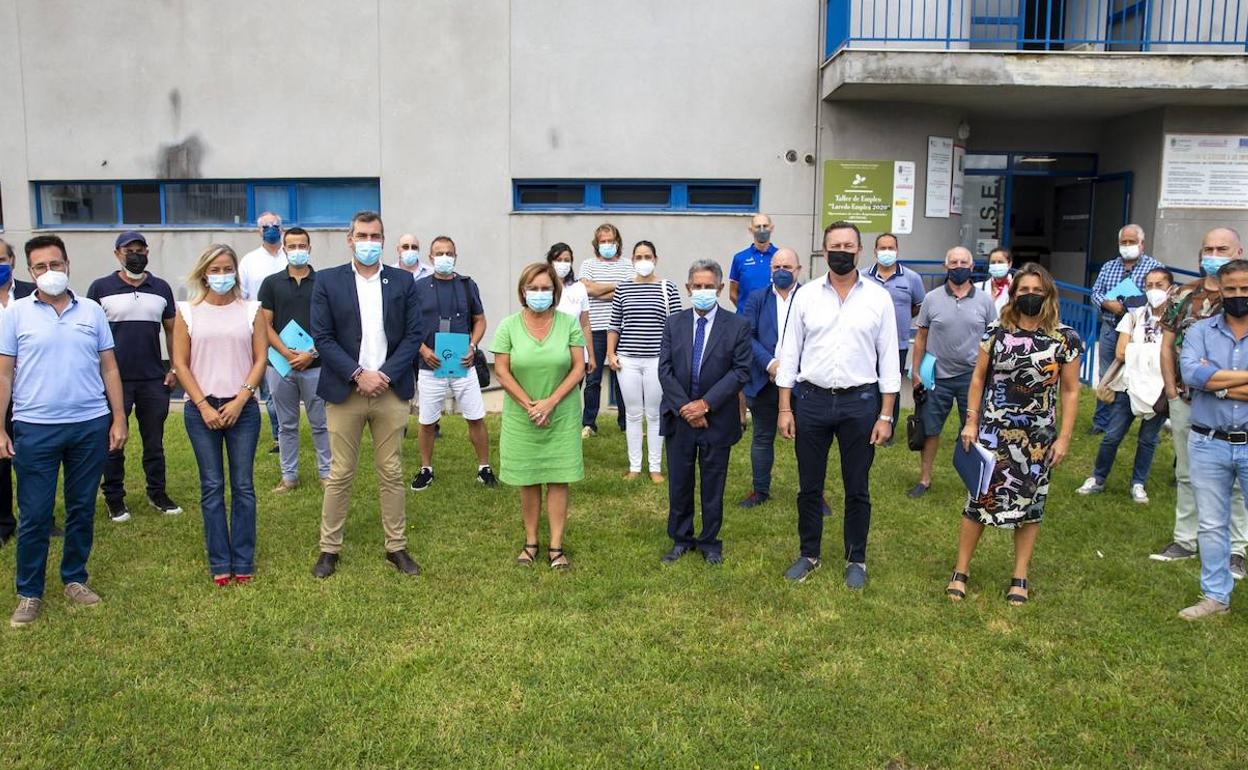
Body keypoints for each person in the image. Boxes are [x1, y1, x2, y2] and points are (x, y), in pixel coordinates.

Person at [0, 235, 127, 627]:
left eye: (56, 264)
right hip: (35, 427)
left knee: (80, 507)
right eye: (40, 267)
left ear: (68, 264)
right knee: (36, 513)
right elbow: (4, 373)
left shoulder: (91, 311)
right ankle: (29, 591)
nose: (49, 272)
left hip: (88, 425)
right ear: (29, 271)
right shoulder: (15, 314)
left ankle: (74, 577)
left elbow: (109, 367)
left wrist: (118, 418)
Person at [945, 263, 1081, 605]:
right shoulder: (996, 333)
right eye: (1024, 290)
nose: (1030, 296)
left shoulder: (1065, 338)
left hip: (1038, 439)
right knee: (979, 501)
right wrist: (971, 421)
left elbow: (1070, 391)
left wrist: (1064, 437)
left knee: (1030, 507)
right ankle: (960, 571)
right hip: (993, 433)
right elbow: (978, 378)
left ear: (1048, 294)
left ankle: (1019, 576)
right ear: (1013, 293)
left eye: (1037, 291)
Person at [777, 221, 899, 586]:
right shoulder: (807, 295)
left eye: (849, 245)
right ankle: (809, 554)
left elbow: (889, 358)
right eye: (835, 245)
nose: (842, 251)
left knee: (857, 485)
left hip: (860, 403)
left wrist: (886, 414)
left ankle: (855, 560)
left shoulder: (878, 297)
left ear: (860, 251)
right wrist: (785, 408)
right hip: (811, 401)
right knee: (809, 485)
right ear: (824, 250)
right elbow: (789, 354)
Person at [309, 211, 423, 579]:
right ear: (350, 239)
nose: (369, 242)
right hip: (346, 390)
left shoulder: (403, 282)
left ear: (383, 240)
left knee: (390, 471)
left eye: (376, 236)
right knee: (340, 472)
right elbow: (322, 337)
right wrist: (358, 374)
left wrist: (384, 375)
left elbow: (412, 335)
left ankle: (397, 547)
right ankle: (329, 549)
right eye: (363, 235)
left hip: (391, 390)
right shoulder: (327, 281)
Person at [1153, 227, 1248, 579]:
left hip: (1237, 409)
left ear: (1237, 250)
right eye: (1207, 247)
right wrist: (1172, 389)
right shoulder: (1181, 295)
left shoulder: (1242, 293)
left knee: (1238, 482)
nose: (1213, 253)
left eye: (1221, 248)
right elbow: (1167, 345)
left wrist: (1218, 383)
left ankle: (1236, 550)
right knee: (1188, 474)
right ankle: (1185, 539)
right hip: (1187, 400)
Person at [172, 244, 267, 586]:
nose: (222, 276)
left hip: (242, 408)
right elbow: (180, 364)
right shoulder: (187, 312)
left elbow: (260, 358)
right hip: (202, 411)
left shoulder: (251, 310)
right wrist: (202, 406)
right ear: (203, 274)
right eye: (216, 270)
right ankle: (219, 563)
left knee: (243, 486)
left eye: (228, 269)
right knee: (211, 486)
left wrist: (242, 398)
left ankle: (243, 559)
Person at [491, 262, 586, 569]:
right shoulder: (508, 326)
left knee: (559, 479)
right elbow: (502, 372)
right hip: (522, 416)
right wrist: (530, 405)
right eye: (534, 288)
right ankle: (531, 541)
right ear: (523, 290)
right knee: (528, 479)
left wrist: (551, 403)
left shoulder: (568, 324)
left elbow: (578, 368)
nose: (540, 293)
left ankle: (556, 547)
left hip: (562, 414)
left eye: (546, 288)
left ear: (555, 291)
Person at [658, 259, 752, 565]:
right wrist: (686, 408)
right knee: (680, 481)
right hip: (680, 417)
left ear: (721, 289)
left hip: (717, 418)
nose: (702, 291)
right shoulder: (674, 324)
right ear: (687, 288)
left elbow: (740, 371)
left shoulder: (737, 326)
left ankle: (710, 540)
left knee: (713, 483)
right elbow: (665, 370)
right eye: (697, 286)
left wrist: (705, 404)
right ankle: (681, 538)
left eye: (708, 286)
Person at [87, 231, 182, 522]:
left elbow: (172, 331)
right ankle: (114, 498)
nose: (136, 254)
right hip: (114, 380)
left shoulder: (161, 288)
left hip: (153, 379)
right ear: (117, 253)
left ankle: (158, 493)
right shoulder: (101, 287)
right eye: (129, 249)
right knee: (114, 442)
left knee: (154, 442)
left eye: (140, 249)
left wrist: (175, 367)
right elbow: (89, 333)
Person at [1177, 258, 1248, 619]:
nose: (1238, 295)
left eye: (1245, 289)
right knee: (1211, 524)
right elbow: (1190, 372)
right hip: (1207, 442)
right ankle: (1216, 596)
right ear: (1220, 288)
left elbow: (1205, 377)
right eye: (1231, 288)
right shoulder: (1201, 330)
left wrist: (1216, 384)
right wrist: (1236, 384)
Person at [1076, 267, 1173, 504]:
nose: (1153, 290)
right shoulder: (1134, 315)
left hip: (1159, 390)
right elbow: (1121, 351)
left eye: (1159, 285)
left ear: (1170, 289)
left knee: (1148, 440)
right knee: (1112, 436)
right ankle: (1098, 478)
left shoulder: (1175, 320)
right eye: (1148, 285)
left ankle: (1138, 484)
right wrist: (1156, 353)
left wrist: (1142, 351)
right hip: (1127, 386)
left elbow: (1175, 355)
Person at [908, 246, 998, 498]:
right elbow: (921, 337)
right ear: (946, 266)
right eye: (954, 262)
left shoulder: (984, 301)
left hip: (973, 378)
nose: (959, 266)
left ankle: (976, 482)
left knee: (973, 430)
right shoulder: (932, 298)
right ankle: (924, 479)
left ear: (972, 267)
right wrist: (916, 373)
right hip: (935, 375)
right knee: (930, 430)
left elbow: (993, 339)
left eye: (964, 262)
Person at [408, 236, 496, 492]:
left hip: (463, 365)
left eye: (449, 253)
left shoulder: (467, 286)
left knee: (476, 417)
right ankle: (426, 469)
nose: (444, 257)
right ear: (431, 257)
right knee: (426, 421)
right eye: (439, 253)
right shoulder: (418, 287)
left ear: (455, 256)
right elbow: (408, 325)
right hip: (430, 366)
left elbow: (479, 320)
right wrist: (423, 350)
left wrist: (473, 346)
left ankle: (484, 468)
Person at [258, 227, 331, 493]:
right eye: (292, 246)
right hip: (280, 366)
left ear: (309, 248)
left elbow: (331, 324)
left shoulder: (324, 282)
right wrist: (288, 354)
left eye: (302, 245)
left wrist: (310, 353)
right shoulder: (271, 283)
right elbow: (265, 325)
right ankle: (289, 477)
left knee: (321, 424)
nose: (297, 250)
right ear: (284, 249)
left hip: (316, 365)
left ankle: (326, 473)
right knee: (286, 425)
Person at [606, 241, 682, 483]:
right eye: (638, 256)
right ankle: (635, 466)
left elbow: (677, 326)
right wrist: (611, 353)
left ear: (655, 258)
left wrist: (673, 360)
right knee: (632, 413)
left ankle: (655, 467)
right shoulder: (623, 289)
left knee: (655, 414)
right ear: (632, 259)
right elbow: (614, 324)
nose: (643, 260)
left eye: (647, 256)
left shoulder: (667, 287)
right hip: (627, 360)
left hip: (657, 361)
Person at [739, 247, 803, 508]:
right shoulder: (757, 298)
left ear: (798, 270)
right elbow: (747, 336)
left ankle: (812, 492)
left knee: (810, 440)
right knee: (762, 437)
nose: (781, 272)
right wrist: (770, 363)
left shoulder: (811, 297)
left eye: (787, 267)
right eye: (776, 267)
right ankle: (760, 490)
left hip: (803, 381)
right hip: (765, 378)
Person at [1089, 224, 1162, 434]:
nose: (1127, 246)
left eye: (1132, 242)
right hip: (1110, 326)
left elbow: (1158, 296)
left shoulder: (1154, 267)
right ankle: (1101, 421)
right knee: (1106, 373)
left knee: (1130, 373)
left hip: (1136, 331)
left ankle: (1125, 417)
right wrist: (1106, 303)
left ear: (1142, 244)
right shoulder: (1109, 266)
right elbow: (1096, 292)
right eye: (1124, 242)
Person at [862, 232, 925, 430]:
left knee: (891, 386)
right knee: (868, 386)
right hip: (868, 344)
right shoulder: (863, 277)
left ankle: (889, 423)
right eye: (883, 248)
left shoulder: (912, 278)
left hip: (898, 343)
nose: (887, 252)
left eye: (891, 248)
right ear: (875, 251)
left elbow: (918, 305)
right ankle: (867, 424)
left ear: (897, 250)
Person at [237, 212, 286, 453]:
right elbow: (242, 296)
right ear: (258, 231)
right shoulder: (249, 261)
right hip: (258, 329)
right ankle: (278, 434)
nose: (270, 229)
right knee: (269, 386)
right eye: (265, 226)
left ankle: (290, 427)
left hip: (289, 329)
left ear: (282, 228)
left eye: (274, 225)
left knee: (288, 380)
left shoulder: (291, 256)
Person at [579, 223, 633, 438]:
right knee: (593, 377)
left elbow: (628, 290)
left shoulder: (628, 264)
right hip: (595, 328)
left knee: (622, 376)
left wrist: (598, 289)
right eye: (603, 241)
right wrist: (615, 285)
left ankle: (626, 423)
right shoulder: (588, 264)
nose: (607, 245)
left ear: (617, 242)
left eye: (611, 241)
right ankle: (589, 423)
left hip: (621, 327)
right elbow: (585, 289)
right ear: (596, 243)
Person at [0, 238, 35, 548]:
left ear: (12, 260)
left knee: (33, 457)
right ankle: (3, 522)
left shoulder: (32, 294)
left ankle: (39, 518)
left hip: (31, 390)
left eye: (1, 259)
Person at [548, 243, 596, 375]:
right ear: (551, 262)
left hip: (577, 354)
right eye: (558, 260)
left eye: (566, 260)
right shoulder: (544, 288)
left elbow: (585, 325)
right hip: (551, 353)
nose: (563, 264)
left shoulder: (579, 287)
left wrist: (591, 355)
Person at [728, 214, 778, 310]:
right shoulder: (740, 258)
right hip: (746, 320)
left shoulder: (780, 257)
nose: (762, 230)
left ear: (771, 228)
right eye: (758, 226)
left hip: (772, 319)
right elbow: (733, 293)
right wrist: (745, 311)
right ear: (751, 230)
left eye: (765, 226)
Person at [977, 247, 1013, 313]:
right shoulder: (978, 288)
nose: (996, 265)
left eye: (1000, 262)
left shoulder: (1015, 287)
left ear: (1009, 264)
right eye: (993, 262)